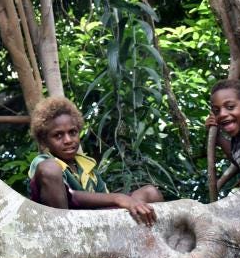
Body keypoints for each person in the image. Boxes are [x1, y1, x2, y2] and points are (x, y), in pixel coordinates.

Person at [27, 96, 163, 226]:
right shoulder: (44, 163)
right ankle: (64, 236)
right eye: (58, 135)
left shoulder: (86, 165)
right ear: (44, 141)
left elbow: (103, 199)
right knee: (50, 168)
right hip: (66, 223)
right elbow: (71, 196)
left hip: (96, 221)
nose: (68, 140)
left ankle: (154, 244)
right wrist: (119, 198)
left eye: (73, 132)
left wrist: (127, 201)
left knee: (150, 192)